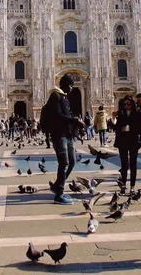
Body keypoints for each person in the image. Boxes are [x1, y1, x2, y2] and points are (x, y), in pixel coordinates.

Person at [47, 74, 85, 205]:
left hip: (68, 134)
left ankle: (58, 185)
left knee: (72, 161)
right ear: (63, 84)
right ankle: (59, 193)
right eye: (70, 85)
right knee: (64, 163)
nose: (71, 88)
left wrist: (76, 124)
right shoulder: (55, 96)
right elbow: (57, 115)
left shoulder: (65, 97)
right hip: (59, 135)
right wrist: (73, 120)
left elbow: (66, 115)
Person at [113, 95, 141, 194]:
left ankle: (132, 186)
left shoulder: (137, 114)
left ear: (132, 104)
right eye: (124, 104)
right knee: (124, 165)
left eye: (128, 104)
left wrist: (130, 129)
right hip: (123, 141)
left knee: (133, 164)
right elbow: (115, 127)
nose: (126, 106)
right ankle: (123, 186)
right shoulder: (120, 113)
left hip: (133, 141)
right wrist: (119, 126)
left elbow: (140, 127)